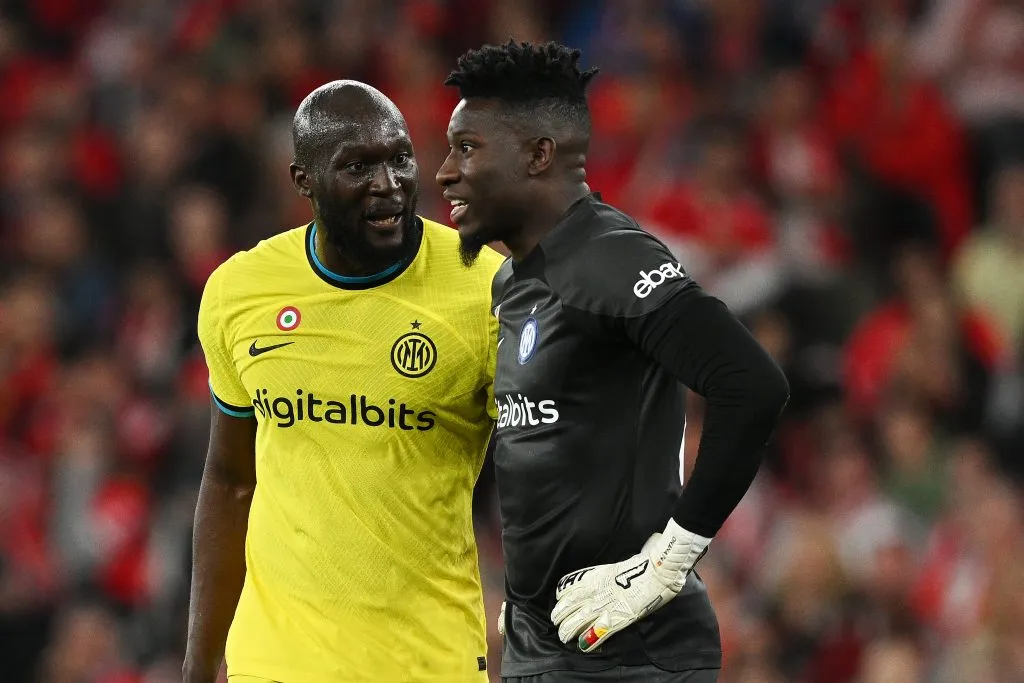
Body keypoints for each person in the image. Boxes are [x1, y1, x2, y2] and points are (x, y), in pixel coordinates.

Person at [436, 42, 790, 683]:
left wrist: (667, 560)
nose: (445, 172)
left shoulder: (610, 257)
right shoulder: (511, 281)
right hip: (540, 649)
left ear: (539, 154)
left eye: (467, 148)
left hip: (633, 656)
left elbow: (750, 383)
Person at [183, 80, 504, 683]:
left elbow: (543, 468)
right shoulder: (238, 293)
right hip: (273, 661)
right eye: (358, 166)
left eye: (400, 158)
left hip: (427, 663)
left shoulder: (487, 291)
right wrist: (200, 663)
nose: (388, 185)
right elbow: (230, 481)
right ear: (302, 180)